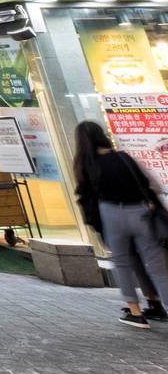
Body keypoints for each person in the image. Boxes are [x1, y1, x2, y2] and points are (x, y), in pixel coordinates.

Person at [72, 119, 168, 327]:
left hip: (111, 214)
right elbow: (150, 185)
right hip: (142, 213)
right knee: (158, 266)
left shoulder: (87, 166)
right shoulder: (123, 158)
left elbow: (86, 197)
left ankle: (135, 311)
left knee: (122, 263)